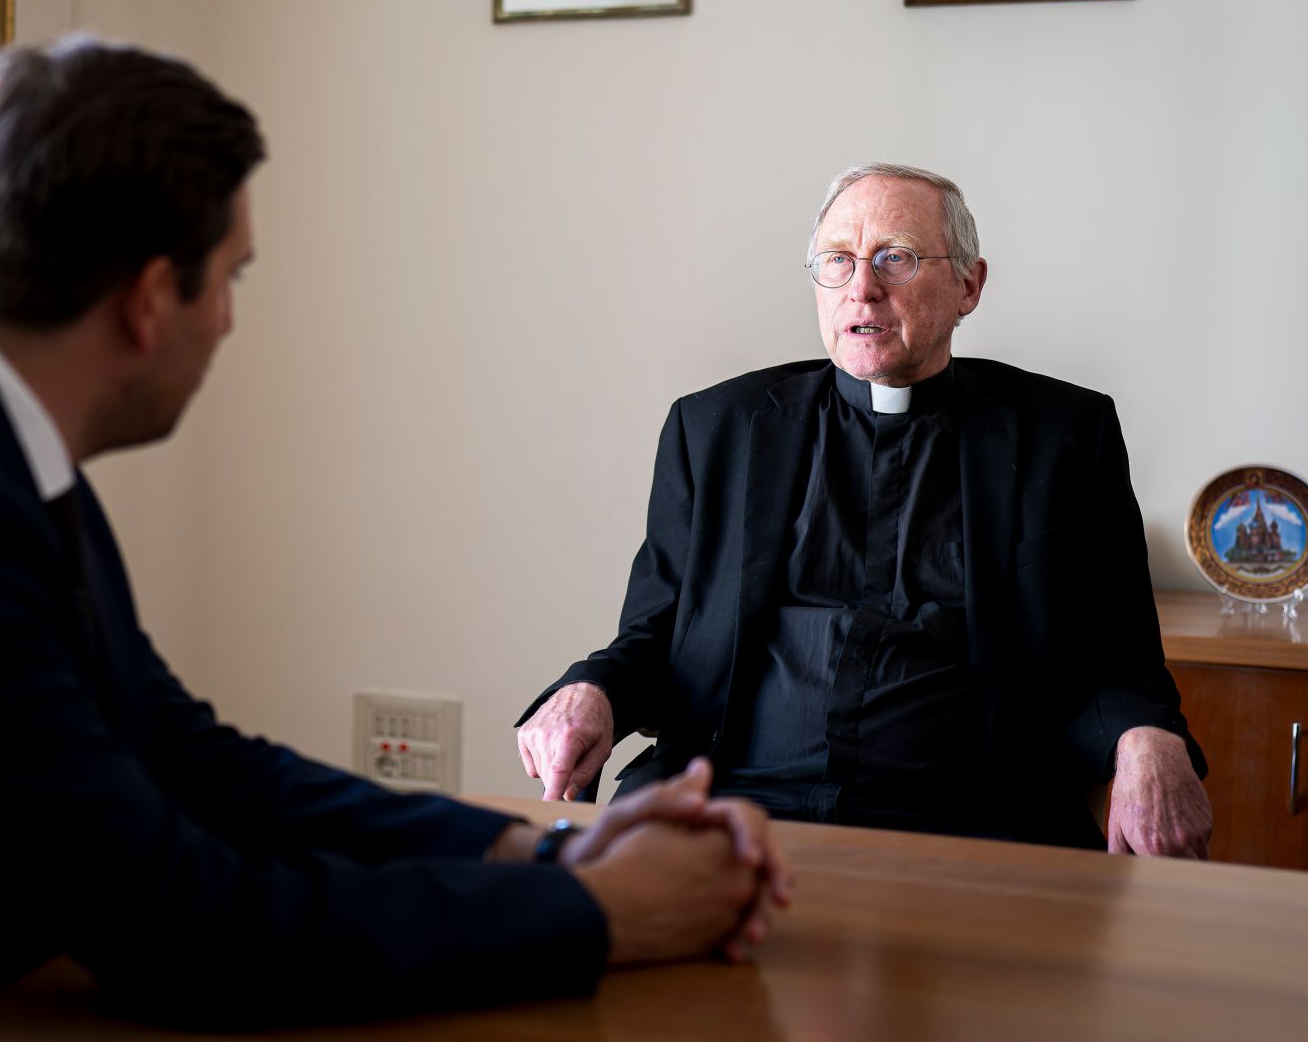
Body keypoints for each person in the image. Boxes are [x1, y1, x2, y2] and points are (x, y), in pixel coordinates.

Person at [0, 40, 789, 1038]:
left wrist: (541, 857)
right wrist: (608, 917)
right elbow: (184, 930)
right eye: (232, 279)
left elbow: (180, 756)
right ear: (147, 297)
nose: (229, 322)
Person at [516, 163, 1213, 858]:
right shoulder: (716, 429)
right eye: (837, 261)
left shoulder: (1062, 436)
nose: (862, 287)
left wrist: (1149, 737)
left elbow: (1118, 647)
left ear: (969, 285)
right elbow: (657, 630)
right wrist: (590, 689)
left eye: (896, 258)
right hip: (732, 792)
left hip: (973, 812)